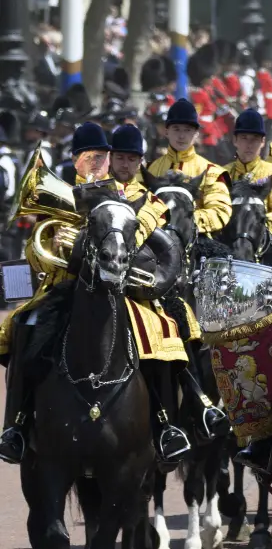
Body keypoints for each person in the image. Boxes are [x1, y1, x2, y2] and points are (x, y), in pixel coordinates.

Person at [0, 123, 192, 464]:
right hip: (63, 288)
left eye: (102, 157)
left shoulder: (132, 198)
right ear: (75, 159)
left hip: (121, 290)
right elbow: (34, 251)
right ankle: (15, 424)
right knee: (24, 326)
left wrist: (83, 244)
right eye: (88, 157)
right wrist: (53, 247)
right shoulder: (59, 195)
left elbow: (140, 235)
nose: (96, 163)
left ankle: (166, 425)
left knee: (160, 333)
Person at [144, 97, 233, 234]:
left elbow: (220, 211)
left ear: (197, 133)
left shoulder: (212, 171)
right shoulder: (149, 169)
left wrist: (183, 220)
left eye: (187, 130)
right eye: (176, 129)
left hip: (197, 238)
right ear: (166, 131)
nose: (181, 136)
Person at [223, 108, 272, 237]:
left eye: (255, 139)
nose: (249, 144)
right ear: (235, 140)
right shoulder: (221, 175)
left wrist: (259, 226)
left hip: (265, 239)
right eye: (244, 138)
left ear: (263, 142)